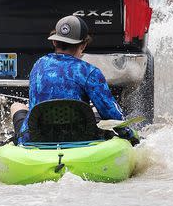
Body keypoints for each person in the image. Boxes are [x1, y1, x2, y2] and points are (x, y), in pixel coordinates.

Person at [9, 15, 138, 144]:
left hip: (37, 137)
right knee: (94, 110)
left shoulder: (38, 65)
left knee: (17, 106)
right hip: (79, 137)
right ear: (83, 45)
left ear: (54, 42)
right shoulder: (89, 71)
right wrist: (131, 137)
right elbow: (111, 114)